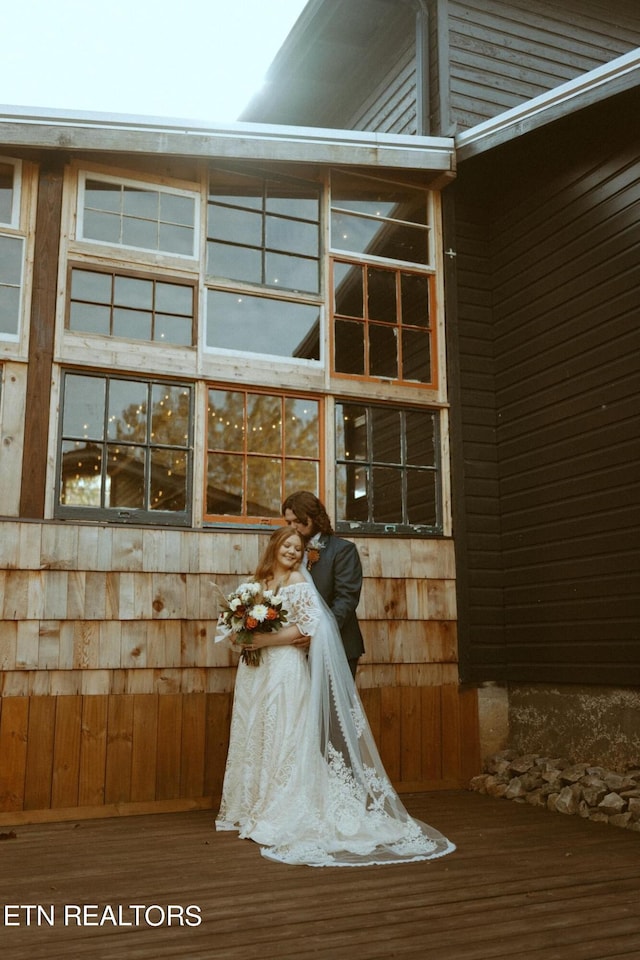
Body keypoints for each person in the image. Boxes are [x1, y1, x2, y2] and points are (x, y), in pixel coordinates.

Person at [215, 525, 455, 867]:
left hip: (284, 668)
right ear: (274, 547)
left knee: (284, 732)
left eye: (298, 548)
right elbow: (234, 630)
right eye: (287, 545)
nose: (293, 552)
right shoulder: (254, 586)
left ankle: (281, 808)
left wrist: (264, 641)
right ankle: (251, 804)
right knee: (256, 730)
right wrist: (244, 637)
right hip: (254, 672)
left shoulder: (299, 583)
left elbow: (311, 626)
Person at [282, 491, 364, 678]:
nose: (292, 527)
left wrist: (316, 634)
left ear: (312, 517)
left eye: (297, 521)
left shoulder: (343, 550)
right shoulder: (289, 551)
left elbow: (346, 599)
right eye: (288, 523)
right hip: (296, 649)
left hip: (337, 644)